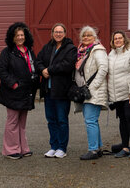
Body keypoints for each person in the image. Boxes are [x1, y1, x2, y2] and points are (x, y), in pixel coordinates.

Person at [0, 22, 38, 160]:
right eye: (17, 35)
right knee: (12, 121)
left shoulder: (29, 51)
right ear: (12, 38)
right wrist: (14, 84)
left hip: (26, 92)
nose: (20, 37)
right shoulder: (7, 52)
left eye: (22, 35)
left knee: (22, 122)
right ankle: (10, 150)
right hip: (13, 92)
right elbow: (1, 72)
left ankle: (23, 148)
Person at [36, 23, 77, 158]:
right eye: (56, 31)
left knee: (62, 120)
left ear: (65, 34)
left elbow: (68, 65)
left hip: (62, 91)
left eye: (60, 32)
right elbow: (38, 61)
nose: (58, 34)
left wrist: (50, 70)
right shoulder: (48, 47)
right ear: (52, 33)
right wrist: (42, 70)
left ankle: (62, 147)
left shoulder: (70, 48)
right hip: (48, 91)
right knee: (51, 120)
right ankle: (53, 146)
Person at [108, 30, 130, 159]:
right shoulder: (111, 55)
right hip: (117, 95)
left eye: (120, 38)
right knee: (122, 120)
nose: (117, 40)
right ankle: (125, 147)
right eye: (115, 38)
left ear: (124, 39)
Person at [74, 25, 108, 160]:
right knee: (92, 120)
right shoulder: (82, 51)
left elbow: (103, 68)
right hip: (86, 91)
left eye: (89, 35)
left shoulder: (97, 50)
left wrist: (93, 86)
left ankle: (93, 150)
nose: (86, 37)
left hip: (93, 91)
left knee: (90, 120)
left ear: (95, 37)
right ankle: (98, 148)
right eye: (84, 35)